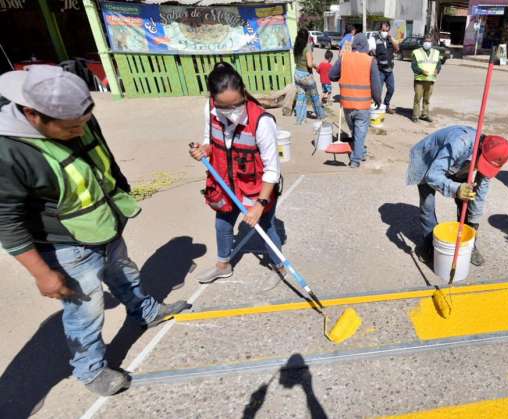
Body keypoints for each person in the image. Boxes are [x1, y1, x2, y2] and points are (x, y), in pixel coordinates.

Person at [0, 65, 189, 395]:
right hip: (64, 243)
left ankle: (145, 311)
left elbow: (103, 158)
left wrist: (122, 194)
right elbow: (6, 220)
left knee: (124, 272)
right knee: (86, 310)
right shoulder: (9, 151)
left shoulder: (78, 116)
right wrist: (41, 273)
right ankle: (90, 370)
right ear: (33, 114)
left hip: (103, 223)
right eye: (71, 128)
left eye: (84, 123)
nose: (80, 131)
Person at [190, 62, 284, 284]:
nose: (231, 112)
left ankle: (280, 267)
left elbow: (272, 169)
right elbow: (209, 138)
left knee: (265, 227)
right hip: (225, 182)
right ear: (214, 99)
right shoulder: (210, 108)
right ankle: (223, 265)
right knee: (222, 224)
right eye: (224, 107)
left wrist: (260, 204)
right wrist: (204, 150)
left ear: (243, 92)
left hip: (256, 186)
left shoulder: (262, 122)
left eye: (237, 105)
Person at [406, 126, 508, 266]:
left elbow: (480, 192)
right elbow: (433, 175)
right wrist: (457, 189)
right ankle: (429, 245)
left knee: (466, 203)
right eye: (483, 163)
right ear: (480, 149)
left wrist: (473, 222)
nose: (483, 168)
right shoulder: (460, 143)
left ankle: (469, 244)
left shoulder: (491, 156)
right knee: (428, 205)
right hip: (428, 160)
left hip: (459, 164)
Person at [329, 33, 382, 168]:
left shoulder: (344, 58)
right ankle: (355, 159)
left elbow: (332, 76)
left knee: (356, 131)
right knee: (360, 131)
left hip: (347, 104)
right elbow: (376, 84)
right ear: (365, 46)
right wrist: (378, 99)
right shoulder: (370, 61)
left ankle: (361, 152)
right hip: (363, 105)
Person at [293, 28, 326, 125]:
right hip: (306, 76)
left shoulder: (296, 46)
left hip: (297, 74)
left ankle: (300, 120)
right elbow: (309, 64)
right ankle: (320, 116)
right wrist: (316, 66)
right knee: (314, 96)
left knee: (301, 97)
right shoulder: (307, 47)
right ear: (307, 37)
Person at [411, 34, 443, 123]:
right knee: (417, 98)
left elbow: (439, 64)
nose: (427, 43)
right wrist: (421, 71)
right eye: (426, 41)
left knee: (427, 99)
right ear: (423, 42)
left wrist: (437, 69)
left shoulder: (436, 52)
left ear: (432, 42)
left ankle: (424, 115)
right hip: (419, 80)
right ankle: (415, 115)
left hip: (431, 80)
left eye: (429, 41)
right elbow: (413, 66)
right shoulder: (416, 52)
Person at [373, 21, 399, 114]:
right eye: (383, 30)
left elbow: (397, 49)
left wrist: (390, 37)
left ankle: (386, 105)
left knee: (391, 89)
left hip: (389, 70)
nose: (384, 31)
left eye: (386, 30)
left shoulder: (390, 39)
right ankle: (377, 106)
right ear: (380, 29)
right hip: (380, 70)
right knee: (378, 90)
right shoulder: (376, 39)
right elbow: (372, 52)